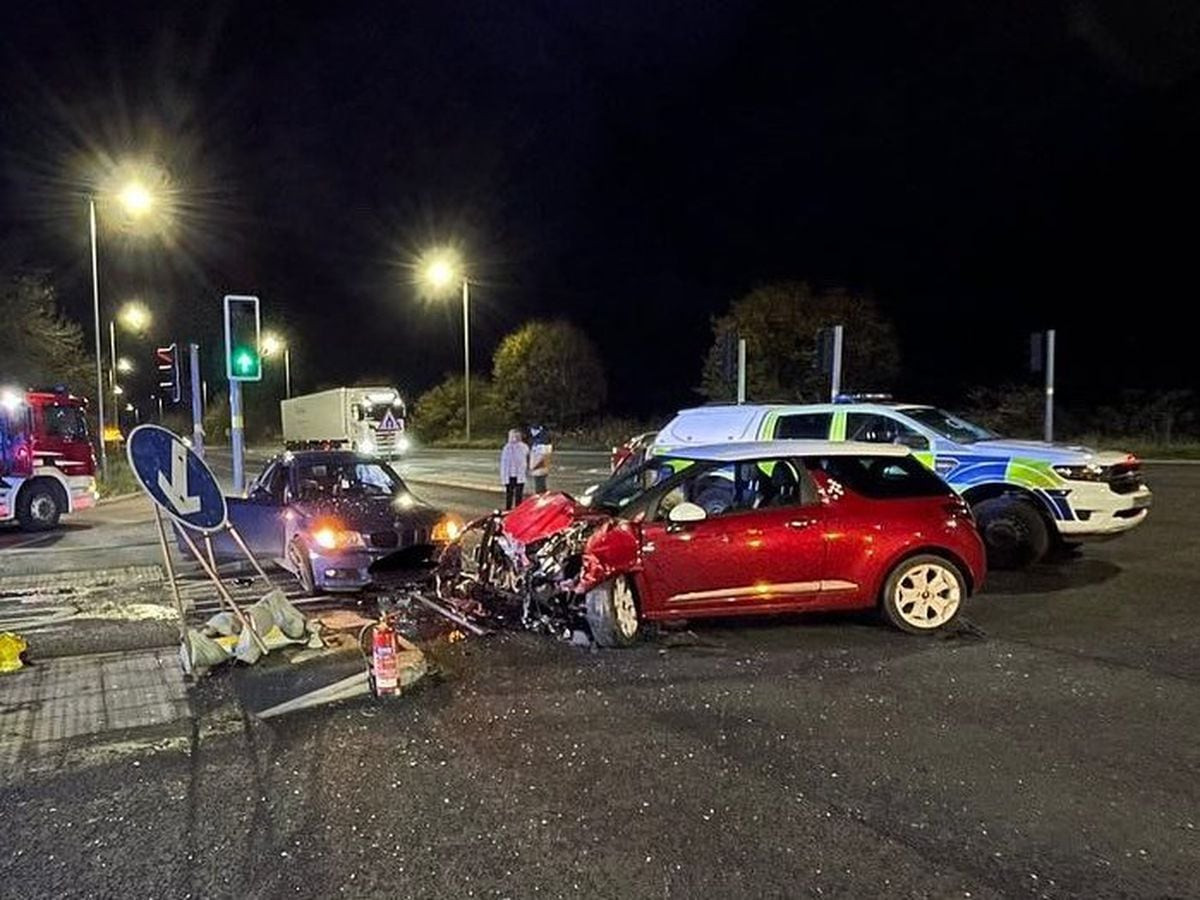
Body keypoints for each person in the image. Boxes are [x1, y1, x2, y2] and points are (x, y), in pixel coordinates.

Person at [499, 428, 529, 509]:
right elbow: (504, 463)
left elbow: (525, 460)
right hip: (510, 475)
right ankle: (508, 510)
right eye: (513, 436)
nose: (514, 438)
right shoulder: (507, 448)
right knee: (509, 495)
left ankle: (518, 510)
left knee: (518, 496)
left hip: (519, 475)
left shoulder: (524, 447)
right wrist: (504, 477)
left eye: (516, 435)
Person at [528, 426, 553, 494]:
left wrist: (534, 467)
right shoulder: (537, 442)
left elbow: (544, 458)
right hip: (538, 470)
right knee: (539, 488)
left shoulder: (543, 443)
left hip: (540, 470)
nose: (532, 432)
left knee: (540, 489)